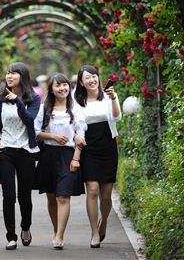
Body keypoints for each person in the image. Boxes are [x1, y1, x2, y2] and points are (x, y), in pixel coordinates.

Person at [0, 62, 41, 250]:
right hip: (6, 151)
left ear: (23, 76)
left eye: (14, 73)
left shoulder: (33, 98)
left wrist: (17, 101)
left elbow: (30, 121)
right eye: (8, 73)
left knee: (24, 196)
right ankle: (11, 236)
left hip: (26, 151)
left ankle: (25, 227)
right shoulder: (1, 98)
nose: (9, 76)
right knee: (8, 196)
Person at [33, 73, 86, 250]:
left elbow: (80, 135)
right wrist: (53, 136)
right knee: (51, 196)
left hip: (68, 155)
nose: (62, 88)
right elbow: (34, 132)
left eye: (65, 85)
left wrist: (76, 158)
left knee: (63, 195)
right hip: (48, 154)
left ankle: (60, 235)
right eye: (58, 85)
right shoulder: (44, 108)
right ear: (51, 89)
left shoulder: (76, 108)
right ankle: (56, 230)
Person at [73, 65, 121, 248]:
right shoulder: (77, 102)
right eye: (87, 78)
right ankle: (94, 231)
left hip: (107, 147)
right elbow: (75, 125)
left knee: (106, 195)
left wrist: (114, 98)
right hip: (88, 149)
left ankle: (105, 220)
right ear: (81, 82)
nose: (92, 80)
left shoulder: (107, 97)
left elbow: (116, 118)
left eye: (94, 76)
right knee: (92, 190)